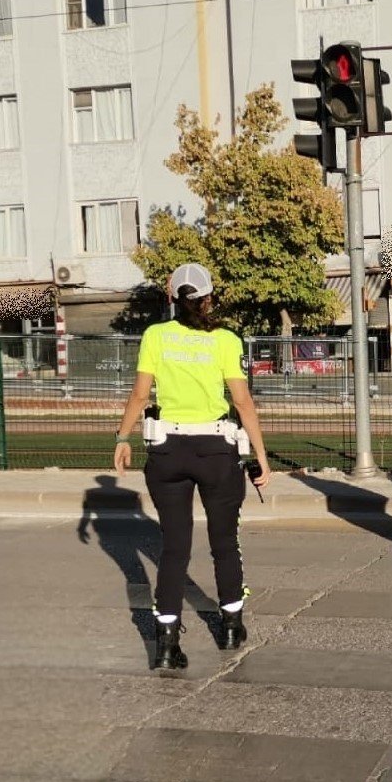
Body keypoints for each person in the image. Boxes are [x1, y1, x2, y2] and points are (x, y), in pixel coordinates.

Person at [114, 263, 271, 671]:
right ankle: (232, 625)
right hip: (216, 451)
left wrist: (122, 437)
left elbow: (138, 394)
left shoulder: (155, 336)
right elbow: (243, 403)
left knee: (174, 548)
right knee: (224, 542)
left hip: (167, 451)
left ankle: (165, 642)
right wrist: (262, 457)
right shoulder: (224, 340)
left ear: (172, 297)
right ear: (208, 298)